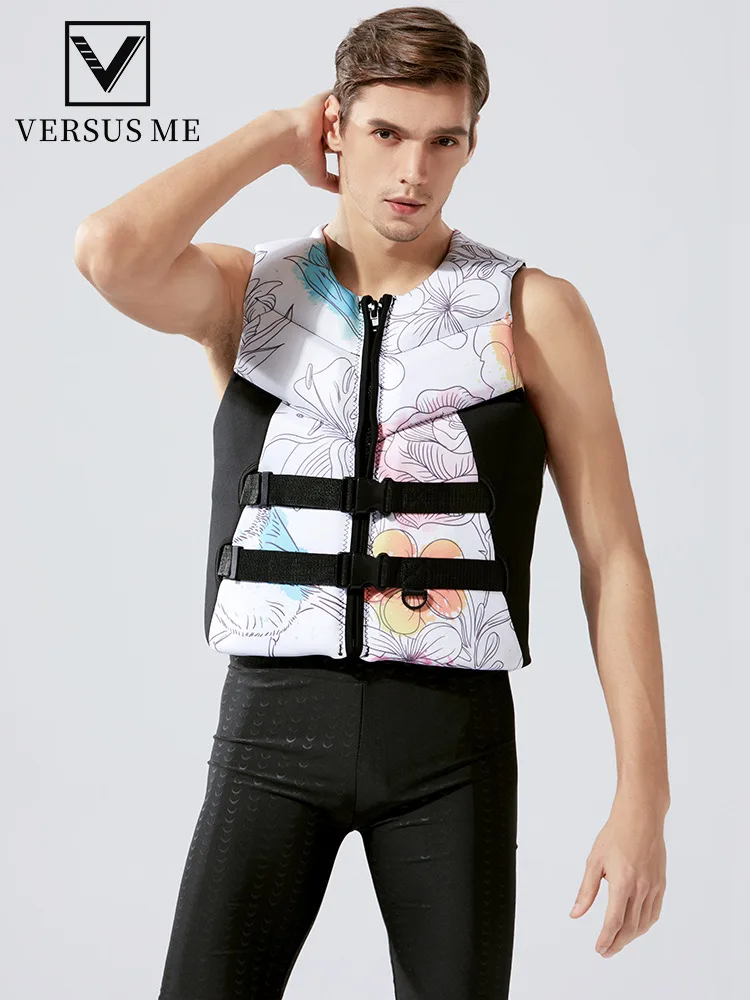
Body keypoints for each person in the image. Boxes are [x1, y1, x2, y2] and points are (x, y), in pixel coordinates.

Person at [73, 7, 670, 999]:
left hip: (451, 746)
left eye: (444, 141)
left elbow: (614, 557)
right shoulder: (248, 292)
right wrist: (273, 136)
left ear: (470, 145)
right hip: (272, 730)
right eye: (386, 132)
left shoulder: (532, 310)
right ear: (337, 127)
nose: (413, 171)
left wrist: (643, 798)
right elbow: (107, 250)